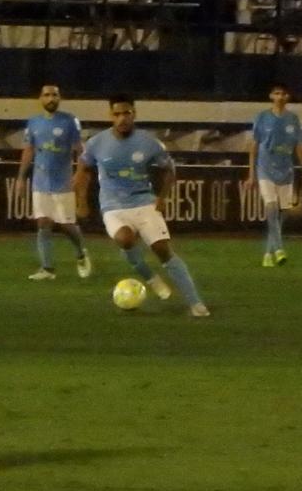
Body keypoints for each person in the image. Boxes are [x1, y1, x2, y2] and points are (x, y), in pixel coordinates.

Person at [73, 94, 209, 317]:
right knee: (125, 239)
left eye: (126, 113)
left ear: (134, 113)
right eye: (117, 114)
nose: (122, 118)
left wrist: (162, 198)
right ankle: (149, 276)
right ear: (110, 116)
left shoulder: (149, 143)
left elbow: (169, 170)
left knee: (162, 250)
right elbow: (83, 169)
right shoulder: (97, 143)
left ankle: (196, 303)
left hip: (144, 202)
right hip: (113, 206)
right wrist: (81, 202)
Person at [14, 84, 91, 280]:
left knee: (66, 225)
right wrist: (21, 177)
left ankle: (82, 253)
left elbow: (80, 150)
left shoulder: (69, 121)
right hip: (40, 181)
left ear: (60, 98)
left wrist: (79, 173)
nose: (51, 98)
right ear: (40, 98)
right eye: (47, 95)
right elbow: (29, 149)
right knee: (43, 223)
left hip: (63, 181)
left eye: (54, 95)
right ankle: (47, 268)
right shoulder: (33, 122)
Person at [243, 83, 302, 267]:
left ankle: (268, 252)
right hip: (265, 168)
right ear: (271, 96)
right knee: (271, 208)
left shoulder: (293, 119)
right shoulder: (262, 117)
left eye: (283, 93)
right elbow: (254, 146)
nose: (280, 97)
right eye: (277, 93)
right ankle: (280, 248)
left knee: (281, 214)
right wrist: (251, 174)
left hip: (286, 170)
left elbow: (299, 147)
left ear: (287, 97)